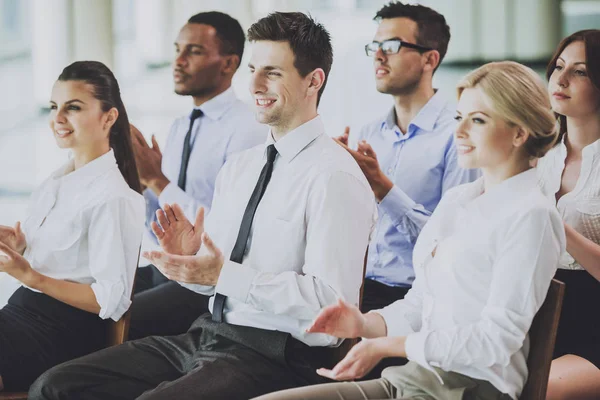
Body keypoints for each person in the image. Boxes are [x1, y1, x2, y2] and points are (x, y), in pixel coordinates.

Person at [28, 12, 375, 400]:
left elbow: (332, 308)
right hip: (209, 334)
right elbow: (215, 277)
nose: (256, 84)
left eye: (273, 73)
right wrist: (188, 263)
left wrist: (223, 275)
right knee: (56, 386)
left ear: (314, 80)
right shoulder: (241, 168)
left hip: (278, 355)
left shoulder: (334, 177)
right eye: (253, 69)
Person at [254, 61, 565, 400]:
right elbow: (420, 304)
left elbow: (496, 342)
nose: (458, 132)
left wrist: (389, 346)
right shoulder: (460, 200)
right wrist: (362, 324)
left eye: (478, 120)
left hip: (468, 390)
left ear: (520, 133)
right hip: (414, 380)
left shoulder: (532, 215)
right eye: (459, 118)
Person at [0, 61, 145, 392]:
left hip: (60, 332)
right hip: (19, 315)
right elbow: (65, 262)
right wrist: (20, 248)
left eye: (73, 107)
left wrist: (29, 275)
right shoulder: (55, 181)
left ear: (108, 117)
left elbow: (113, 300)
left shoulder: (114, 197)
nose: (58, 119)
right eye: (54, 107)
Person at [128, 11, 265, 340]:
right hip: (169, 266)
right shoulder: (180, 126)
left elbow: (227, 231)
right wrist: (142, 183)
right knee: (88, 296)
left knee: (119, 316)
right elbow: (158, 223)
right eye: (177, 49)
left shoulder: (247, 129)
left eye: (194, 51)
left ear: (229, 64)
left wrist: (159, 181)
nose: (179, 61)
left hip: (209, 278)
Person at [336, 1, 479, 313]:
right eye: (375, 45)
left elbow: (452, 244)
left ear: (429, 59)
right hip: (358, 288)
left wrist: (382, 188)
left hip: (419, 297)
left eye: (391, 45)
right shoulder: (369, 132)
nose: (378, 54)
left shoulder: (461, 136)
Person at [538, 29, 600, 400]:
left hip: (593, 320)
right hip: (538, 308)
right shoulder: (536, 155)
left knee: (539, 390)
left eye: (579, 71)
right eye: (558, 67)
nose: (560, 80)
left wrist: (558, 230)